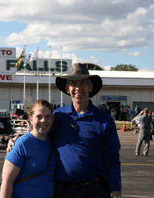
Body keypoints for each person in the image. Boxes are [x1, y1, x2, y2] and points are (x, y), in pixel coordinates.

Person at [8, 63, 121, 198]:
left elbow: (112, 159)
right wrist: (18, 140)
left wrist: (116, 191)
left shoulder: (104, 120)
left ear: (90, 87)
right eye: (74, 84)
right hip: (63, 190)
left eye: (83, 83)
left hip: (95, 190)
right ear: (68, 88)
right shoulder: (58, 116)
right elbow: (39, 133)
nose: (78, 88)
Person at [0, 99, 56, 198]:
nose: (43, 120)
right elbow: (7, 181)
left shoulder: (55, 142)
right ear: (31, 119)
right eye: (39, 117)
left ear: (52, 119)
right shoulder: (21, 143)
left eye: (47, 116)